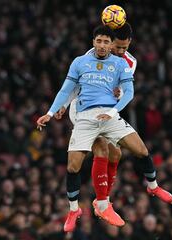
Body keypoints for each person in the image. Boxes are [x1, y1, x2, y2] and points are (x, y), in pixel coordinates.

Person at [36, 25, 172, 233]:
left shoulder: (125, 63)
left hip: (109, 113)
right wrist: (56, 109)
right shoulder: (82, 61)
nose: (108, 47)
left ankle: (151, 187)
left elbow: (127, 92)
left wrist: (114, 106)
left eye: (112, 44)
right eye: (99, 41)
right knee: (83, 160)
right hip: (82, 112)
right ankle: (88, 207)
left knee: (130, 151)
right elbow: (69, 88)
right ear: (94, 42)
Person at [54, 23, 138, 213]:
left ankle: (104, 200)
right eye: (117, 46)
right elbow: (76, 85)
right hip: (83, 109)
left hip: (106, 110)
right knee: (101, 149)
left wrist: (119, 93)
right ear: (109, 43)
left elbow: (124, 90)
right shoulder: (88, 58)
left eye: (124, 48)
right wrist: (64, 104)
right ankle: (101, 204)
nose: (120, 51)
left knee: (116, 154)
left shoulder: (129, 62)